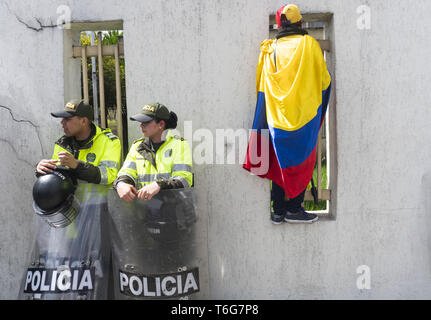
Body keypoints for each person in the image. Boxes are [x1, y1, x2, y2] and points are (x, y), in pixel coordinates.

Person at [243, 4, 332, 224]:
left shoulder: (270, 49)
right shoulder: (309, 45)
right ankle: (294, 209)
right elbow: (324, 80)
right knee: (302, 163)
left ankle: (278, 211)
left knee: (279, 161)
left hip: (276, 116)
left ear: (279, 24)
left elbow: (261, 86)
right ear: (300, 23)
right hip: (304, 116)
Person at [36, 99, 122, 195]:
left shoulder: (109, 141)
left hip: (98, 205)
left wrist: (77, 166)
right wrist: (42, 170)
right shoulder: (63, 143)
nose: (62, 122)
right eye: (62, 118)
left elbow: (109, 176)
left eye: (67, 119)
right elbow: (58, 177)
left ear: (84, 121)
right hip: (69, 205)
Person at [114, 103, 193, 202]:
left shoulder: (179, 145)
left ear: (161, 124)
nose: (141, 125)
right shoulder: (137, 146)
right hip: (144, 211)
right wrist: (121, 183)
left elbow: (184, 179)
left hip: (175, 211)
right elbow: (127, 172)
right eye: (141, 122)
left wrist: (159, 185)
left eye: (146, 122)